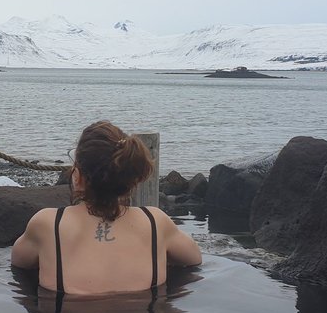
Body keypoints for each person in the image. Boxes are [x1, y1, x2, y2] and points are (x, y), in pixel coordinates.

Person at [11, 121, 202, 295]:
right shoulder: (156, 222)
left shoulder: (47, 224)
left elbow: (19, 262)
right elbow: (194, 259)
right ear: (130, 180)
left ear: (77, 176)